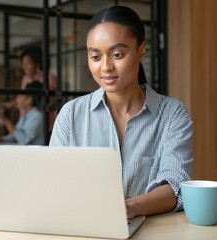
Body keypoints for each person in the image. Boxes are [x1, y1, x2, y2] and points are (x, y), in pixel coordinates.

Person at [49, 6, 193, 219]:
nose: (106, 67)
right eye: (96, 57)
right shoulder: (70, 114)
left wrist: (130, 208)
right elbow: (53, 182)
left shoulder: (172, 114)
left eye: (117, 54)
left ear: (141, 50)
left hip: (152, 231)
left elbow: (176, 186)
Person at [5, 47, 57, 133]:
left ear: (37, 64)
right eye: (23, 64)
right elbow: (23, 98)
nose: (24, 67)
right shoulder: (25, 79)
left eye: (27, 63)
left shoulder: (48, 78)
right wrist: (9, 105)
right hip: (25, 121)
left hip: (41, 123)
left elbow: (52, 102)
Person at [0, 81, 45, 145]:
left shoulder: (37, 116)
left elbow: (23, 140)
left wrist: (6, 122)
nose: (16, 98)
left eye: (20, 95)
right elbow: (15, 136)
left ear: (29, 100)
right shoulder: (26, 115)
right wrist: (1, 139)